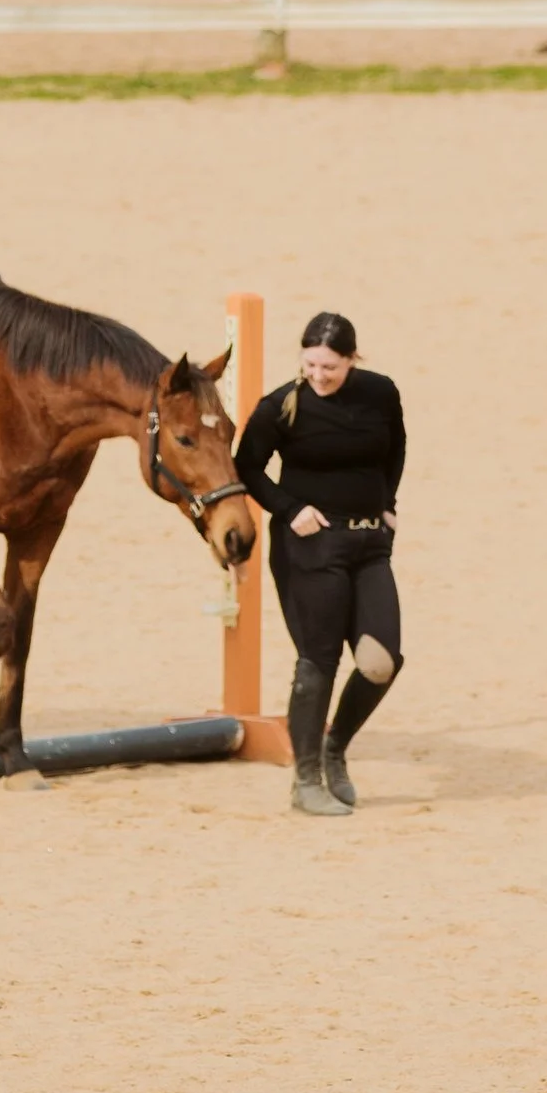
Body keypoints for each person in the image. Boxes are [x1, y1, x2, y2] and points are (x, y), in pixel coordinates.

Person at [234, 311, 405, 818]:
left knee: (381, 661)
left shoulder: (380, 393)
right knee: (319, 659)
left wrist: (389, 503)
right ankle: (305, 780)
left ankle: (335, 750)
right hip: (309, 547)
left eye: (330, 366)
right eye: (310, 364)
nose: (318, 375)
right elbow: (246, 467)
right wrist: (290, 509)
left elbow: (395, 448)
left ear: (352, 360)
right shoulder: (280, 407)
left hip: (370, 544)